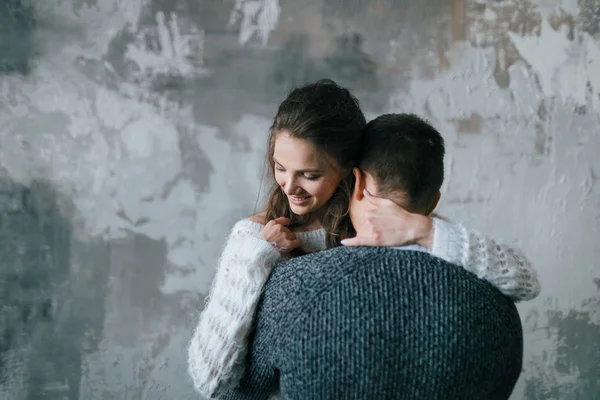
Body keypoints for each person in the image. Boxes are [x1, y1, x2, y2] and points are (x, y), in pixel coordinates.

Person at [187, 80, 540, 398]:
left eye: (309, 175)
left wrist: (425, 229)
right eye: (280, 167)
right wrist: (257, 256)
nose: (289, 186)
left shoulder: (394, 225)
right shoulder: (253, 237)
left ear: (349, 172)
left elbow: (523, 278)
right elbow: (211, 379)